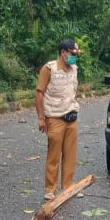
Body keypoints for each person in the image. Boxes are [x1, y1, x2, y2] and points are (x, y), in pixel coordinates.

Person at [35, 38, 82, 200]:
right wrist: (41, 118)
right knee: (53, 155)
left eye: (76, 54)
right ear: (63, 53)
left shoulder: (74, 69)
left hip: (71, 117)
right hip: (55, 118)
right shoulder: (49, 69)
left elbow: (73, 91)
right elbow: (39, 92)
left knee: (70, 155)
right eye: (72, 54)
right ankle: (50, 189)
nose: (75, 57)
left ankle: (68, 188)